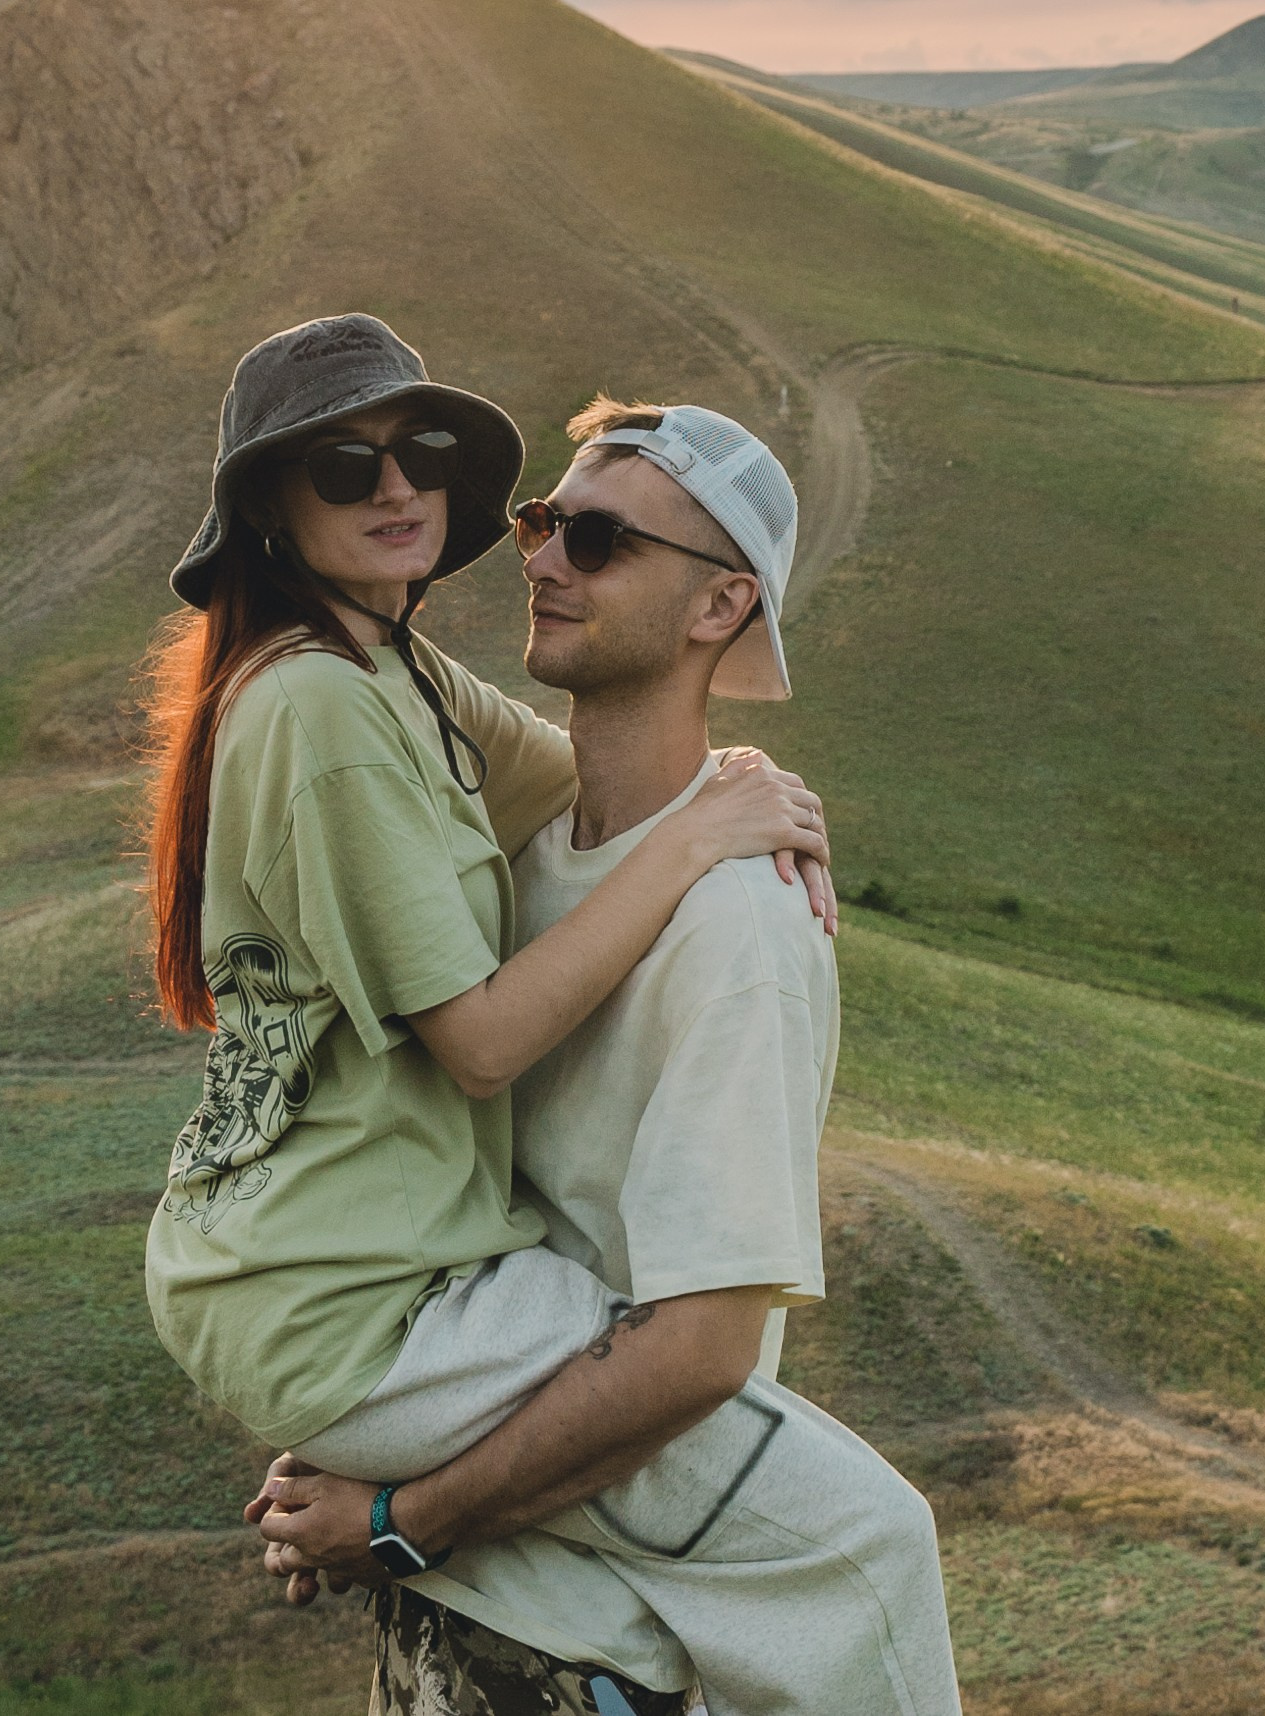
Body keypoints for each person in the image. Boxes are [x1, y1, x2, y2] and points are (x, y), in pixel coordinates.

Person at [143, 314, 833, 1702]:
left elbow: (579, 783)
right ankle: (414, 1532)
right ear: (269, 511)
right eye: (342, 468)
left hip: (320, 1266)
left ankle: (428, 1528)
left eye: (423, 457)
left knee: (638, 1447)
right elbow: (480, 1045)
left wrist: (733, 784)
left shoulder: (397, 674)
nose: (396, 489)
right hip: (353, 1286)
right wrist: (705, 841)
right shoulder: (320, 708)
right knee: (855, 1528)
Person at [249, 393, 963, 1716]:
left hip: (573, 1661)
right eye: (540, 522)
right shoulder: (520, 858)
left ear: (717, 609)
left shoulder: (739, 929)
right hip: (454, 1611)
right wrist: (353, 1444)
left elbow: (698, 1352)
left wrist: (401, 1514)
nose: (541, 560)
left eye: (599, 540)